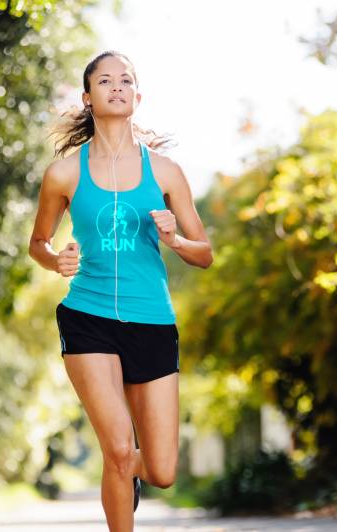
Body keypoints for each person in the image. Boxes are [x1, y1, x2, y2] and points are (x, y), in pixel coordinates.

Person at [28, 50, 213, 532]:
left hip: (152, 321)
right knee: (115, 448)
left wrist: (174, 239)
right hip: (87, 318)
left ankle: (131, 473)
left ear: (137, 95)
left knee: (161, 471)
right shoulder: (64, 174)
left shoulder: (166, 171)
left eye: (125, 80)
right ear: (88, 98)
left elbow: (205, 253)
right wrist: (55, 260)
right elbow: (38, 242)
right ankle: (120, 478)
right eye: (105, 81)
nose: (117, 87)